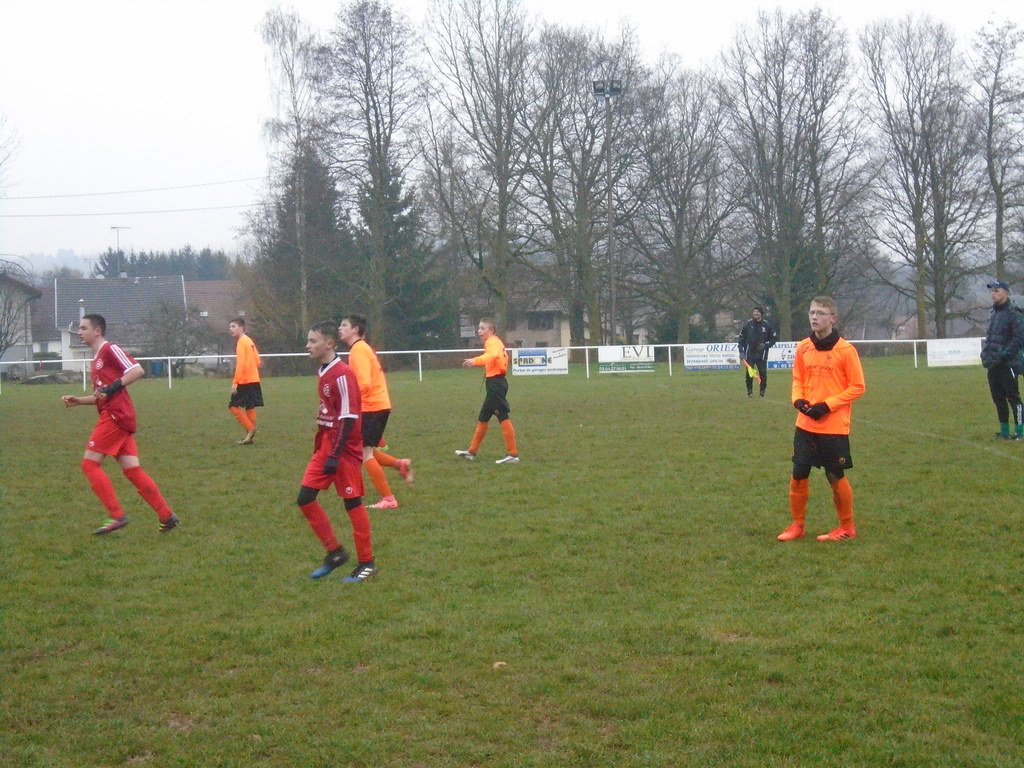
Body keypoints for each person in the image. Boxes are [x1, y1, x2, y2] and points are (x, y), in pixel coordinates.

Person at [61, 313, 180, 535]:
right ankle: (167, 516)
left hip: (115, 416)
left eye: (83, 328)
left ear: (98, 331)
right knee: (132, 470)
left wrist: (112, 387)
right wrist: (79, 401)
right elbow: (102, 395)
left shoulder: (110, 349)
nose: (79, 332)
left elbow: (137, 370)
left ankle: (117, 515)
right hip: (119, 415)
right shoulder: (97, 359)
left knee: (89, 465)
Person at [777, 297, 865, 543]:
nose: (815, 317)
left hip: (833, 425)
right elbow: (798, 378)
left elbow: (858, 387)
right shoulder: (803, 347)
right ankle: (797, 525)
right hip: (805, 423)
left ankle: (847, 527)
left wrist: (827, 405)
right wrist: (798, 400)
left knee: (834, 475)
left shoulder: (846, 351)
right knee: (798, 473)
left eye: (821, 313)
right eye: (812, 312)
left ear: (833, 319)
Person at [296, 321, 377, 582]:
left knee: (352, 502)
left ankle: (367, 562)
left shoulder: (342, 374)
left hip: (343, 449)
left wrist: (335, 454)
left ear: (329, 344)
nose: (308, 345)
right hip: (326, 446)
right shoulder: (323, 371)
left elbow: (348, 417)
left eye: (313, 341)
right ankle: (335, 553)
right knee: (305, 498)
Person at [338, 314, 413, 510]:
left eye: (344, 325)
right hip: (376, 406)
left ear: (355, 329)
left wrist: (348, 402)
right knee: (366, 449)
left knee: (364, 454)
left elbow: (364, 383)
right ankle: (399, 464)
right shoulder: (361, 348)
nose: (340, 328)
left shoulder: (358, 350)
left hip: (372, 407)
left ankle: (389, 499)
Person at [455, 318, 519, 464]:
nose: (479, 331)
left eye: (483, 328)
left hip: (496, 384)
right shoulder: (494, 342)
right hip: (494, 383)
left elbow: (492, 355)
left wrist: (475, 361)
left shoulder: (492, 342)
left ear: (491, 330)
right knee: (483, 417)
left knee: (503, 416)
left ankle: (513, 454)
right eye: (479, 328)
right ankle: (472, 451)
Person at [981, 279, 1024, 440]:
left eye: (997, 290)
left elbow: (1019, 338)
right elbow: (991, 337)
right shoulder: (994, 313)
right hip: (993, 363)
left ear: (1005, 293)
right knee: (998, 398)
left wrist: (1004, 355)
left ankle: (1019, 432)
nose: (993, 294)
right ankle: (1004, 431)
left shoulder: (1014, 313)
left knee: (1013, 398)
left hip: (1008, 363)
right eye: (992, 291)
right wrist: (985, 353)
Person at [228, 317, 263, 445]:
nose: (230, 329)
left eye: (233, 326)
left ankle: (250, 429)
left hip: (245, 380)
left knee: (233, 406)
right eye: (230, 327)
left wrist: (235, 382)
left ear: (241, 327)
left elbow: (241, 364)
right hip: (254, 379)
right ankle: (249, 438)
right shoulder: (249, 340)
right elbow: (258, 361)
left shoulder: (241, 342)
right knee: (250, 406)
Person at [737, 305, 777, 398]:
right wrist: (741, 351)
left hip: (761, 353)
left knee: (762, 372)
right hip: (750, 352)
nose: (756, 313)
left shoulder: (767, 325)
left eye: (758, 312)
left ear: (761, 314)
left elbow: (774, 338)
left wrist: (765, 345)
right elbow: (741, 339)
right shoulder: (748, 324)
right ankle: (749, 391)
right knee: (749, 372)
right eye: (754, 312)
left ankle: (762, 392)